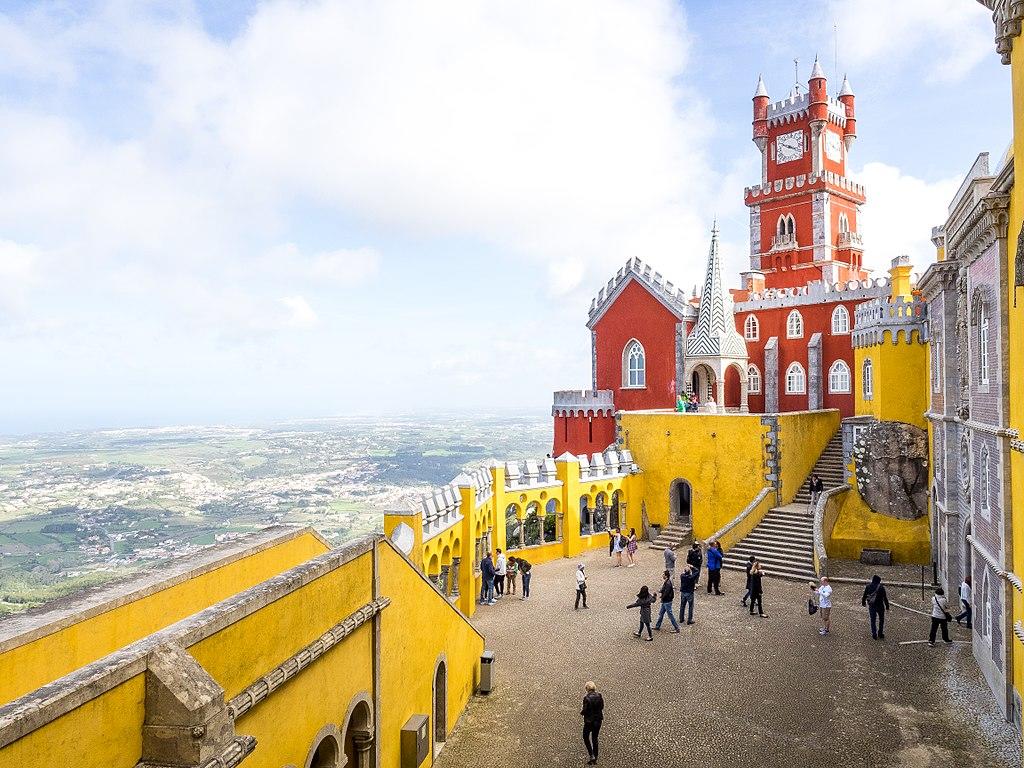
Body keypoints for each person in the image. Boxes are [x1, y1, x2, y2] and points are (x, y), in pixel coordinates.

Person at [581, 681, 604, 765]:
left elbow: (585, 710)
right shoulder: (599, 696)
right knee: (595, 737)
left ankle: (591, 755)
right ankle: (595, 756)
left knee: (585, 737)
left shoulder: (586, 698)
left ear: (587, 688)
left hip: (589, 721)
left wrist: (582, 713)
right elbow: (602, 707)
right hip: (598, 720)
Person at [861, 574, 890, 640]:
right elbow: (885, 598)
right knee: (881, 620)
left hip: (872, 606)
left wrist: (863, 602)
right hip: (880, 606)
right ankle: (880, 633)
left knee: (873, 620)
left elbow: (865, 595)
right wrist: (887, 606)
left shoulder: (868, 586)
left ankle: (874, 634)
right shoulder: (881, 588)